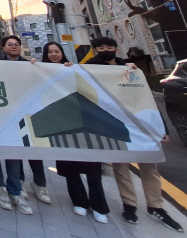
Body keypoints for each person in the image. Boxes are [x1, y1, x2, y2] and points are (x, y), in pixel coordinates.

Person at [89, 37, 182, 231]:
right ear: (95, 50)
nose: (105, 50)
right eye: (100, 48)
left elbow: (147, 99)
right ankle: (129, 205)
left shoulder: (131, 70)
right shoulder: (90, 68)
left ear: (115, 49)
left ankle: (156, 207)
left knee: (150, 167)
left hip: (140, 122)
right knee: (121, 167)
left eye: (109, 47)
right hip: (112, 124)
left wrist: (161, 128)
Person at [51, 40, 109, 224]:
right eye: (50, 52)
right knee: (70, 167)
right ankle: (80, 202)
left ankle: (100, 206)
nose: (54, 54)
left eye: (57, 51)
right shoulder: (40, 72)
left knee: (93, 167)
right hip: (60, 125)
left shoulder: (74, 69)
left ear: (62, 53)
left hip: (85, 123)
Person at [0, 35, 33, 215]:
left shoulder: (30, 65)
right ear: (4, 48)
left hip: (17, 114)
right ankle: (0, 187)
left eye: (16, 45)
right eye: (10, 45)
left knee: (13, 152)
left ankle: (15, 190)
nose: (14, 47)